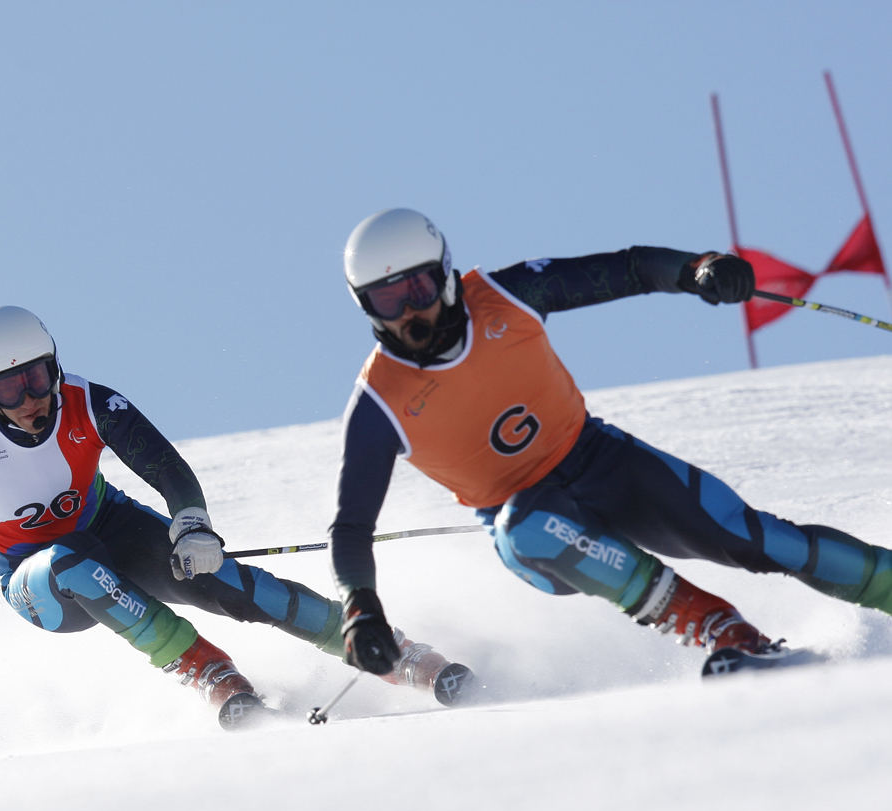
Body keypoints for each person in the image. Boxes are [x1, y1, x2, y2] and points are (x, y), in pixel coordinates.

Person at [0, 305, 474, 729]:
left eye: (37, 377)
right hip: (38, 582)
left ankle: (387, 651)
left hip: (112, 529)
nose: (31, 399)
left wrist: (190, 525)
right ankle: (207, 672)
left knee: (232, 586)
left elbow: (163, 466)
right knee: (74, 567)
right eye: (9, 389)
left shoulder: (89, 403)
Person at [329, 208, 892, 680]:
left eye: (419, 288)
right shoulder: (380, 402)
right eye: (387, 301)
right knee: (525, 521)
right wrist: (361, 608)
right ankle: (727, 633)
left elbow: (627, 269)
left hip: (600, 459)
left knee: (755, 538)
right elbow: (351, 526)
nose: (410, 312)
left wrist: (697, 269)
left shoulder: (505, 296)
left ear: (445, 275)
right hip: (532, 529)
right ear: (365, 309)